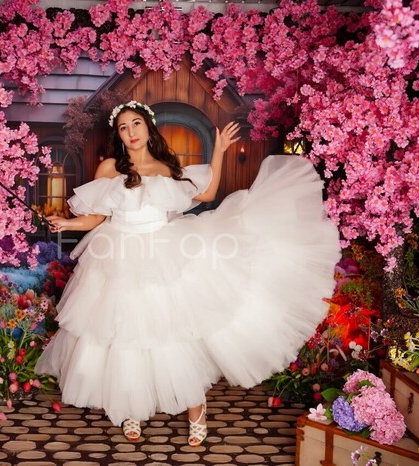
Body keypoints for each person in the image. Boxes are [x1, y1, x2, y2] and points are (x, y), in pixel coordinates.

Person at [36, 100, 341, 446]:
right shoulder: (109, 167)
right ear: (118, 135)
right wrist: (67, 223)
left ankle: (197, 408)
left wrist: (220, 151)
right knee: (126, 332)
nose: (131, 132)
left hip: (164, 252)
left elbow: (207, 193)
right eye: (123, 127)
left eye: (136, 123)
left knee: (174, 331)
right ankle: (130, 406)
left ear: (148, 127)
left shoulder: (167, 166)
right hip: (117, 254)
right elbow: (96, 216)